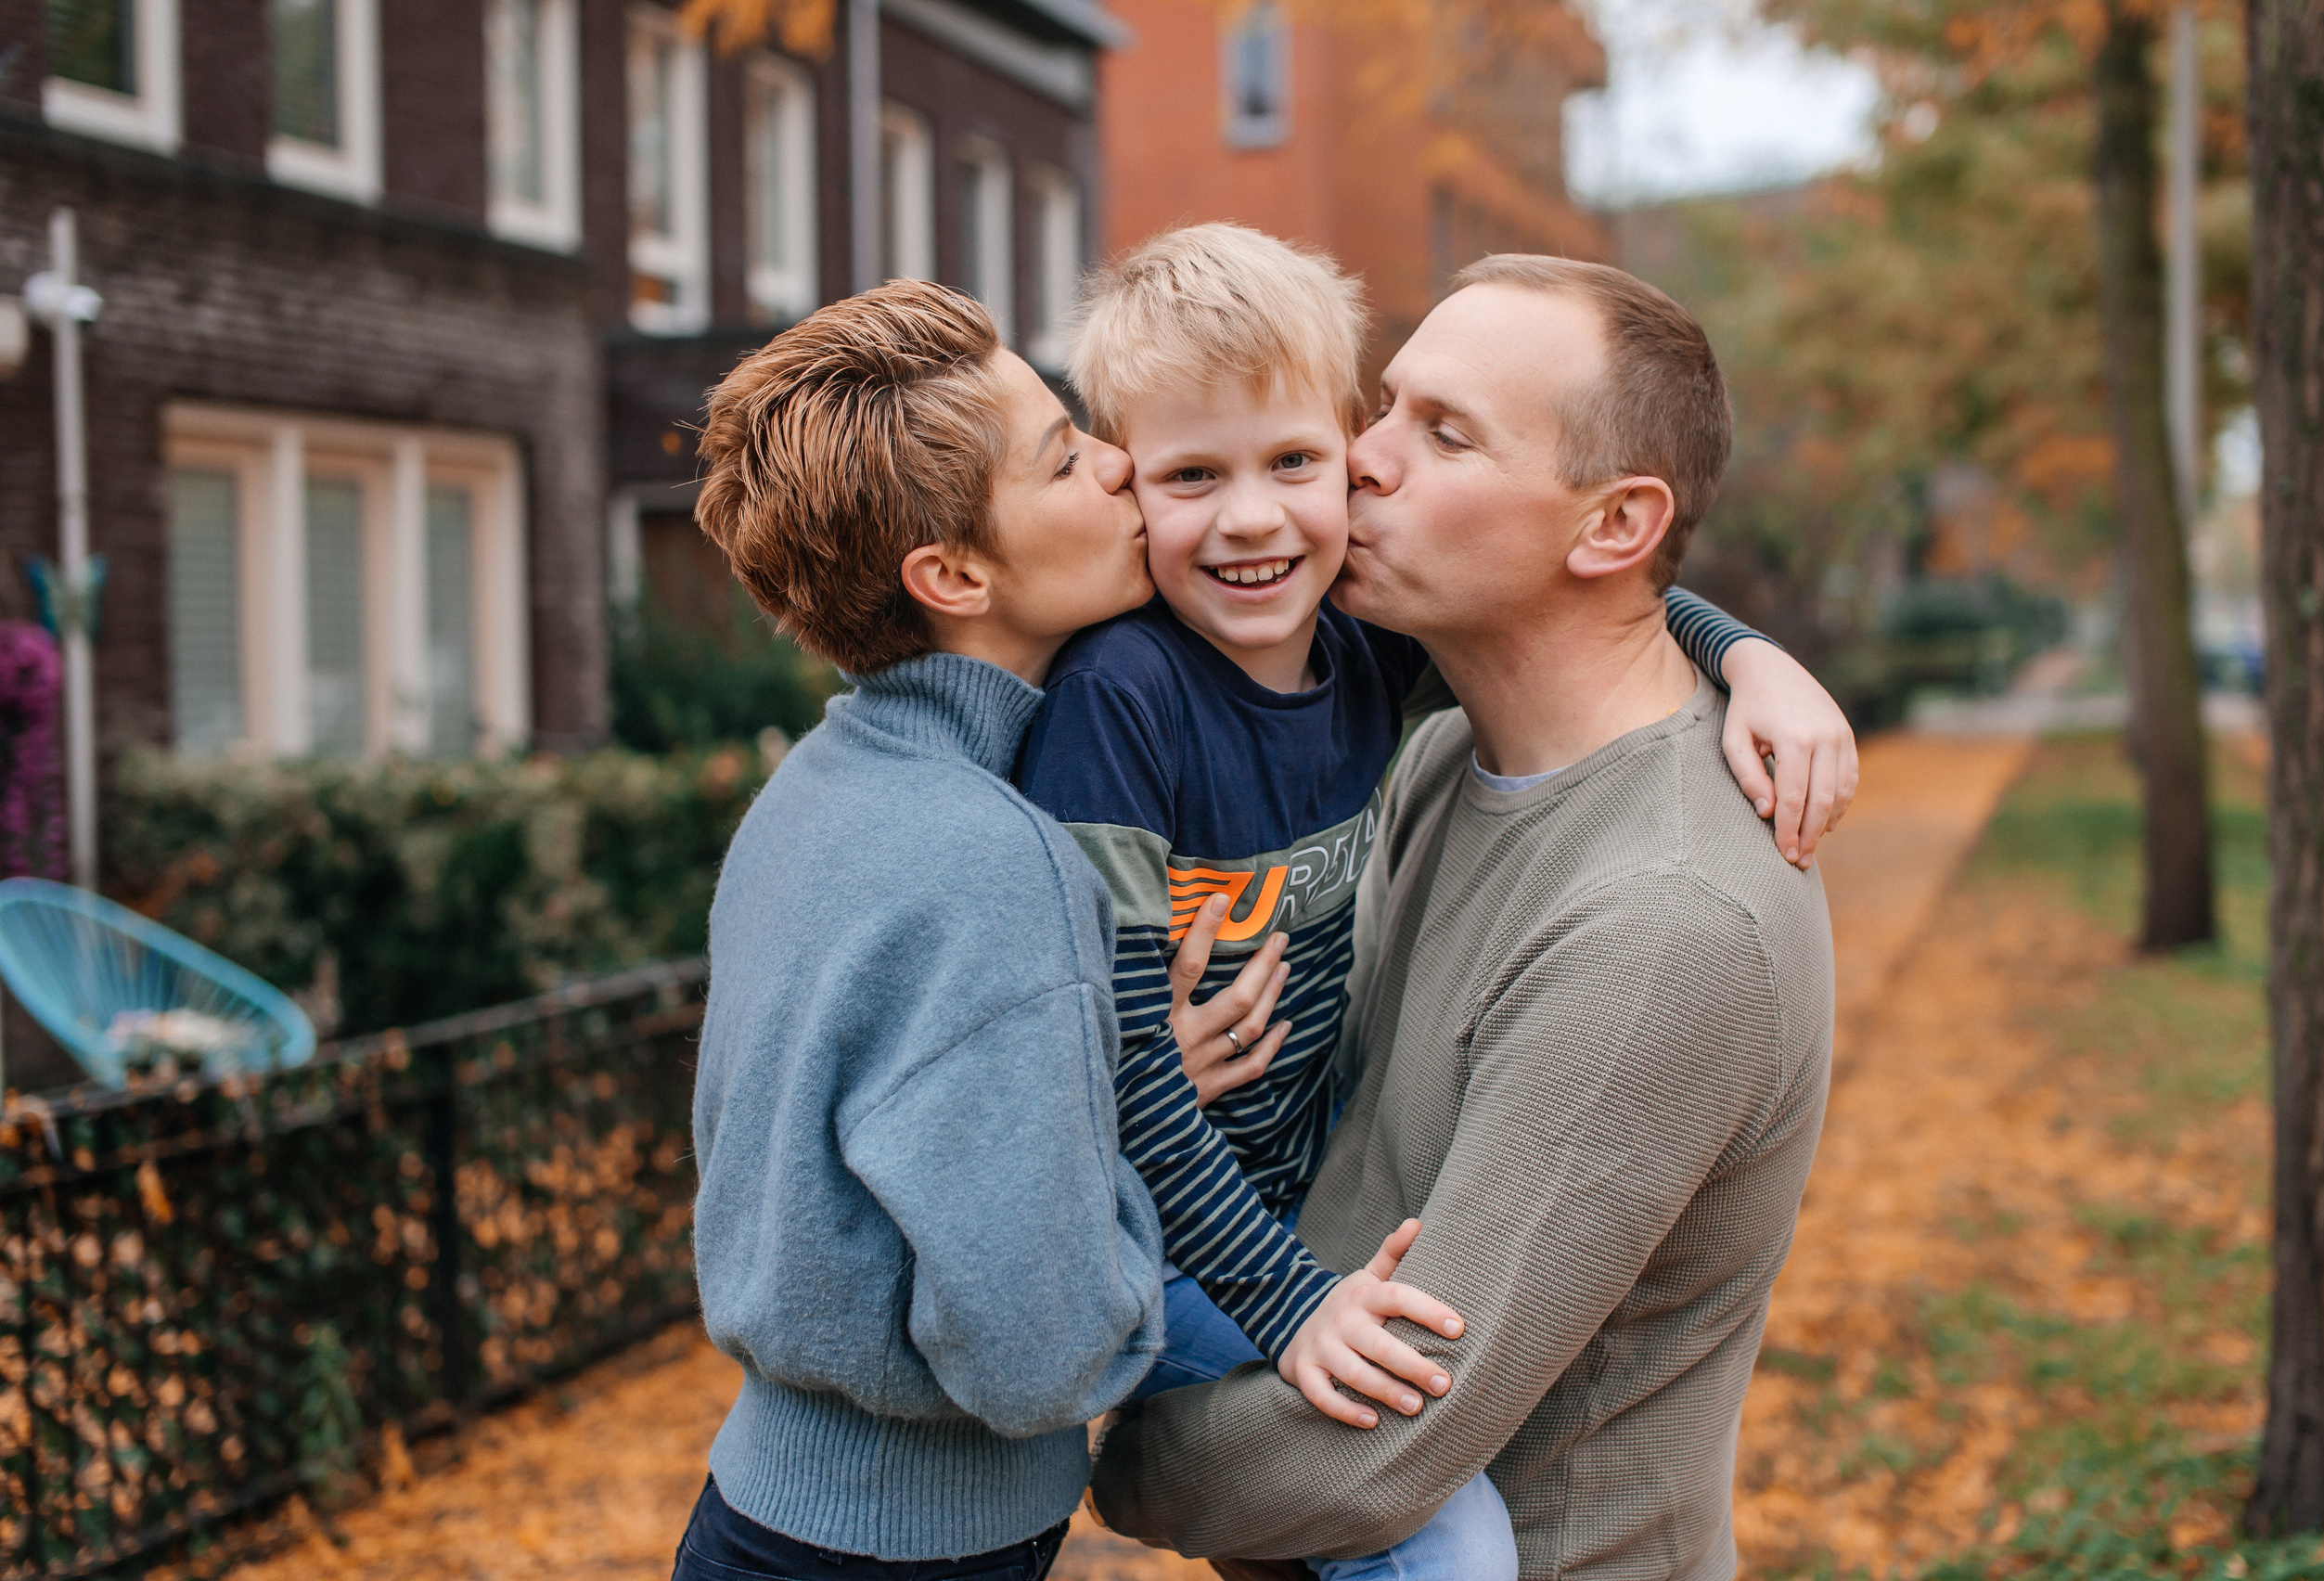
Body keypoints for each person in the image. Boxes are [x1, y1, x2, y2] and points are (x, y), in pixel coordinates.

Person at [1019, 228, 1849, 1579]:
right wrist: (1737, 641)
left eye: (1444, 433)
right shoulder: (1448, 749)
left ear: (1615, 524)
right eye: (1384, 406)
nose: (1361, 461)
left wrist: (1117, 1451)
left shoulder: (1668, 922)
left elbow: (1378, 1450)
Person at [672, 279, 1278, 1581]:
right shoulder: (993, 856)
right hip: (901, 1557)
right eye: (1066, 458)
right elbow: (1041, 1352)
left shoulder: (811, 796)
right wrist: (1115, 1131)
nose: (1123, 466)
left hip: (770, 1520)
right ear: (951, 574)